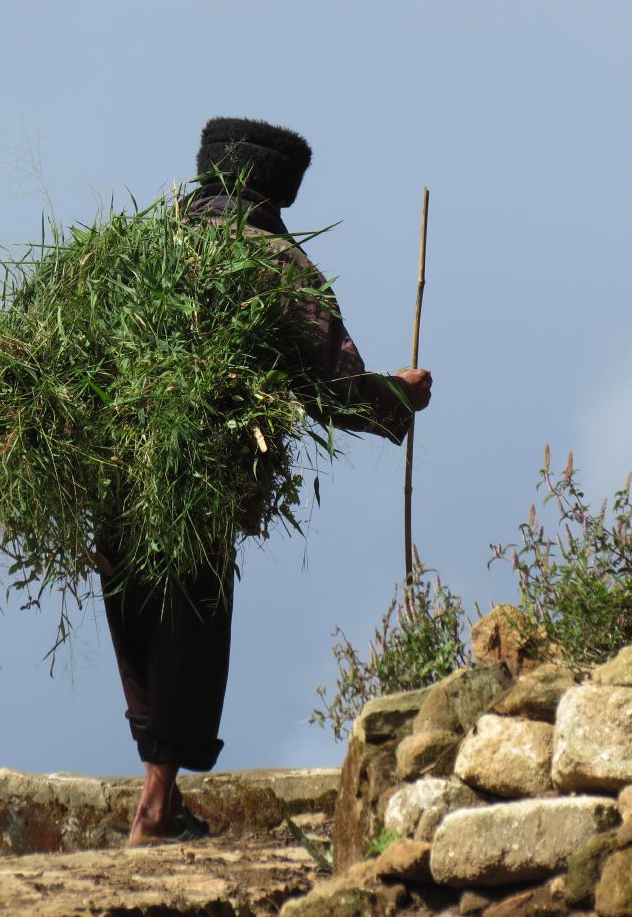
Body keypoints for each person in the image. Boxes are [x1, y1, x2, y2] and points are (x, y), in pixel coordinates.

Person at [98, 117, 433, 845]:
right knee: (191, 625)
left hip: (112, 465)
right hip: (196, 473)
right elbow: (336, 387)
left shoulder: (139, 245)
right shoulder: (272, 261)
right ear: (274, 190)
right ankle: (155, 808)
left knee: (139, 619)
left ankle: (158, 800)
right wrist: (399, 398)